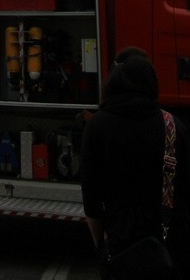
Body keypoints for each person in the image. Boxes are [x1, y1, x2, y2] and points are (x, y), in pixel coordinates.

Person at [80, 47, 190, 278]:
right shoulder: (174, 127)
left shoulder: (96, 127)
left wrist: (103, 245)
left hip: (119, 248)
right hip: (168, 253)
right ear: (151, 81)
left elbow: (91, 203)